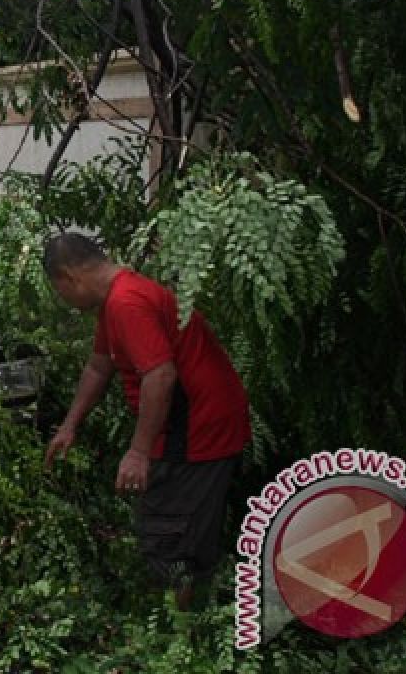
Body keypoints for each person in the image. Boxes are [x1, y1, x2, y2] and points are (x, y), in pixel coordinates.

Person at [42, 232, 250, 608]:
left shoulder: (127, 302)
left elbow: (161, 375)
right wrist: (70, 424)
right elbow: (98, 365)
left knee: (172, 531)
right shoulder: (115, 301)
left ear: (70, 277)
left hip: (197, 427)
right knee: (170, 521)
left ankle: (181, 634)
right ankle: (180, 621)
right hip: (189, 423)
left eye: (61, 293)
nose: (68, 304)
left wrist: (138, 452)